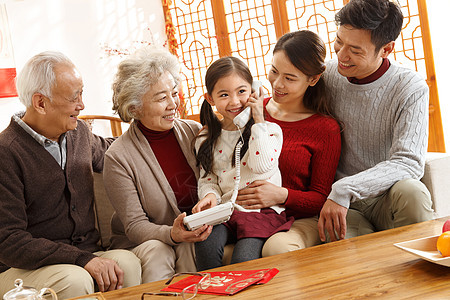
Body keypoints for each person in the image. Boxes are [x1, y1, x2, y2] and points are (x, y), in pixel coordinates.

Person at [0, 51, 141, 298]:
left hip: (83, 255)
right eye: (73, 97)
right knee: (73, 280)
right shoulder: (6, 152)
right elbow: (8, 241)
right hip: (21, 268)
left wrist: (154, 123)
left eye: (82, 93)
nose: (82, 104)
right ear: (40, 103)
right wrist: (81, 259)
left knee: (126, 263)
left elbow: (117, 154)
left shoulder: (79, 135)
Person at [318, 0, 434, 242]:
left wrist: (344, 188)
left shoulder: (410, 88)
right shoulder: (327, 74)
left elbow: (409, 163)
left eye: (355, 50)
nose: (341, 55)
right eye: (339, 42)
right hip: (345, 207)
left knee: (413, 192)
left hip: (384, 196)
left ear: (386, 49)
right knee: (348, 254)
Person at [103, 47, 211, 283]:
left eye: (174, 93)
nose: (174, 103)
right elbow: (134, 226)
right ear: (134, 108)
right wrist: (172, 234)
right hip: (144, 242)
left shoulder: (193, 132)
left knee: (188, 247)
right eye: (162, 98)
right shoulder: (118, 156)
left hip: (191, 233)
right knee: (161, 249)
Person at [233, 30, 341, 257]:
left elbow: (321, 197)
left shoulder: (325, 129)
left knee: (277, 248)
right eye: (274, 71)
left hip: (298, 218)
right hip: (247, 214)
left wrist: (281, 195)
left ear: (313, 79)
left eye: (289, 78)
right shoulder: (252, 110)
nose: (277, 83)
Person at [193, 56, 294, 270]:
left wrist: (257, 119)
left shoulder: (270, 131)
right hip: (226, 210)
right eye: (223, 95)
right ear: (210, 99)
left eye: (241, 91)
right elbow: (208, 178)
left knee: (243, 259)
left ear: (253, 91)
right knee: (205, 245)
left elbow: (261, 165)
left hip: (259, 211)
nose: (235, 101)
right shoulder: (205, 138)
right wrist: (210, 196)